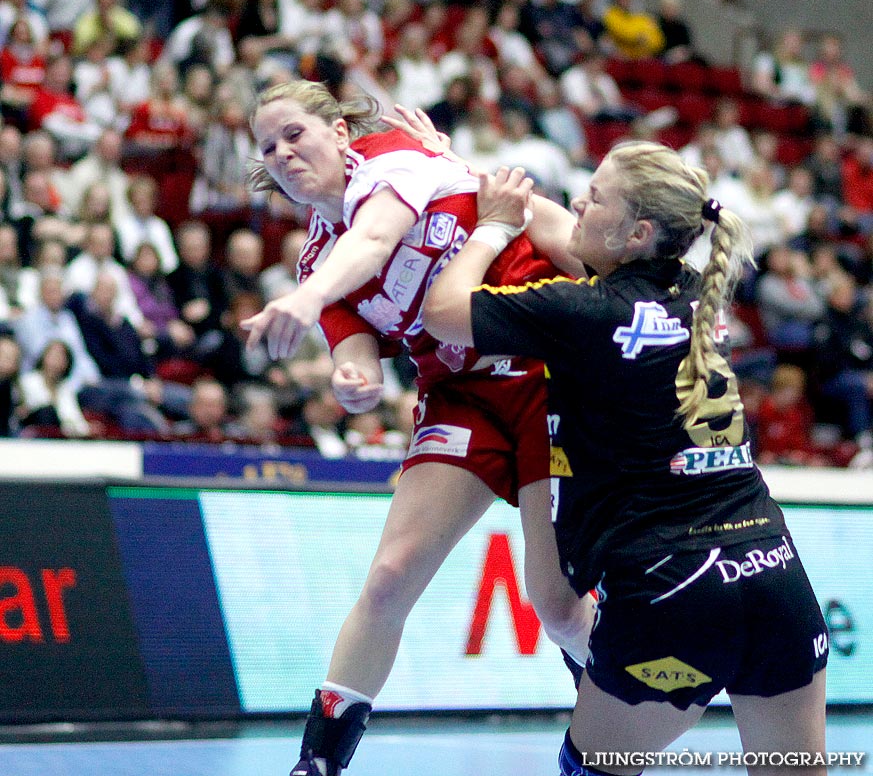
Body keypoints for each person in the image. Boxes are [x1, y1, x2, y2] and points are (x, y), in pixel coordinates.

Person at [422, 143, 827, 776]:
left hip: (672, 588)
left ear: (638, 232)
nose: (578, 203)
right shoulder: (700, 292)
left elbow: (443, 313)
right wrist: (449, 165)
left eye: (596, 196)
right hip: (776, 574)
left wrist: (492, 227)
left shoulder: (581, 312)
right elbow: (565, 229)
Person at [240, 81, 593, 776]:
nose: (282, 153)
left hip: (548, 377)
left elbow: (372, 241)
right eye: (266, 147)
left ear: (340, 132)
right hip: (461, 396)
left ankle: (617, 714)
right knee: (389, 576)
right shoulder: (318, 259)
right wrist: (354, 383)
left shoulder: (395, 158)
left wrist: (304, 300)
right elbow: (355, 352)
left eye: (293, 134)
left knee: (555, 607)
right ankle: (318, 765)